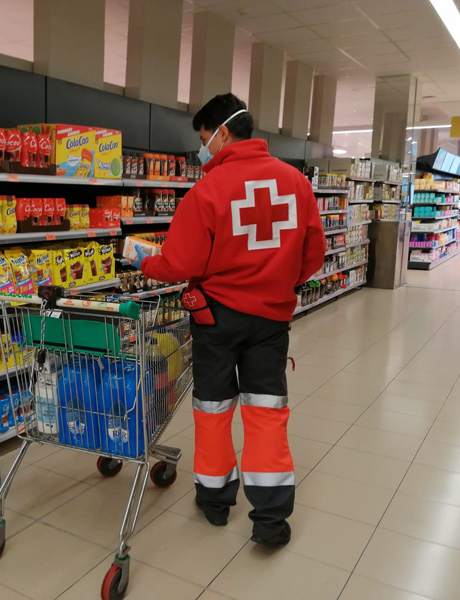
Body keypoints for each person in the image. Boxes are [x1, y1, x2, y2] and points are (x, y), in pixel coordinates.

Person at [131, 93, 326, 546]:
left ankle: (216, 503)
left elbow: (179, 263)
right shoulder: (295, 182)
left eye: (203, 139)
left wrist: (146, 263)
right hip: (271, 320)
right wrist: (278, 282)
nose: (203, 149)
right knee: (266, 412)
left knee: (214, 410)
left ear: (221, 132)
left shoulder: (208, 190)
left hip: (216, 318)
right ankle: (271, 520)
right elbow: (313, 253)